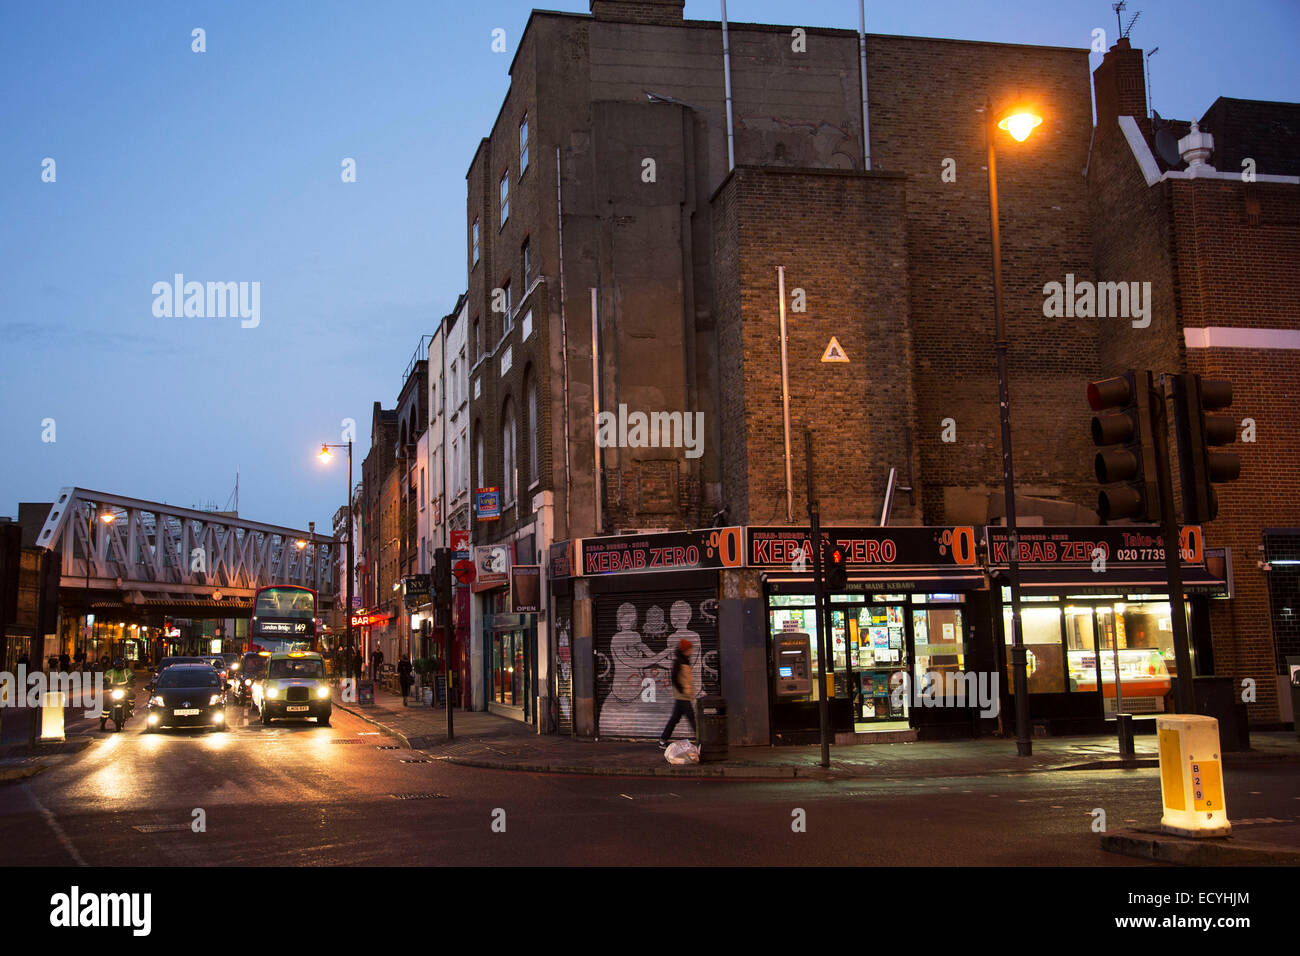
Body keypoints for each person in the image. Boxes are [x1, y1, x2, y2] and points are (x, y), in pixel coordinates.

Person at [658, 638, 697, 751]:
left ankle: (662, 740)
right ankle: (701, 741)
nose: (692, 651)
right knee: (692, 719)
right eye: (690, 649)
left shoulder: (685, 660)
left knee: (674, 719)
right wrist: (682, 690)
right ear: (685, 650)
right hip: (682, 696)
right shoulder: (679, 662)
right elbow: (674, 678)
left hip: (684, 696)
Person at [100, 656, 133, 731]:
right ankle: (103, 722)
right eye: (117, 665)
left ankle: (131, 708)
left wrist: (131, 684)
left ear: (123, 665)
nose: (119, 666)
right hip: (113, 690)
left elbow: (131, 677)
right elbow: (106, 679)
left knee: (132, 696)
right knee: (106, 706)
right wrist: (105, 684)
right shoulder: (110, 672)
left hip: (124, 690)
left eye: (120, 665)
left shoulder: (127, 671)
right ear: (114, 665)